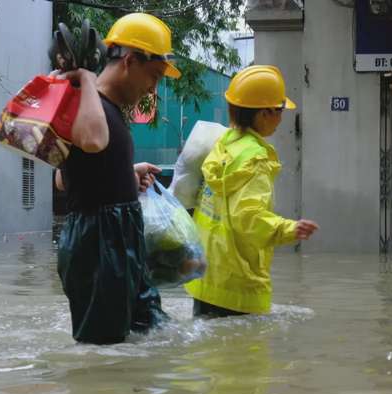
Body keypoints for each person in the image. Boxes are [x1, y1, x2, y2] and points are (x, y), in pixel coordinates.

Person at [56, 13, 181, 344]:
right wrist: (84, 78)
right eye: (154, 76)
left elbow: (64, 178)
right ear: (129, 61)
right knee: (104, 350)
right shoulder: (87, 102)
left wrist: (126, 174)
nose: (154, 88)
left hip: (121, 242)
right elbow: (94, 142)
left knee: (155, 331)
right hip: (98, 246)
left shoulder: (106, 108)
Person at [184, 65, 319, 318]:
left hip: (206, 277)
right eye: (279, 110)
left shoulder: (224, 145)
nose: (281, 118)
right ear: (263, 114)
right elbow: (248, 217)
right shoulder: (255, 158)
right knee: (245, 356)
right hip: (237, 283)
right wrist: (288, 229)